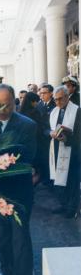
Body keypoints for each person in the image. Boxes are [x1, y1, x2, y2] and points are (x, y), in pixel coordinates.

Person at [0, 84, 37, 275]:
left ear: (15, 102)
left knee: (21, 241)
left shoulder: (27, 126)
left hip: (18, 195)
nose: (3, 108)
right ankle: (6, 269)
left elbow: (29, 159)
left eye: (8, 103)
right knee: (2, 238)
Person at [49, 85, 80, 218]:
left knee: (72, 180)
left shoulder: (77, 111)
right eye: (55, 100)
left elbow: (79, 135)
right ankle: (63, 204)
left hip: (73, 151)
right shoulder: (54, 111)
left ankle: (72, 208)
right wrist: (50, 133)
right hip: (57, 149)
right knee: (60, 180)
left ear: (67, 97)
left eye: (60, 99)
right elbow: (46, 127)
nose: (57, 102)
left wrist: (66, 139)